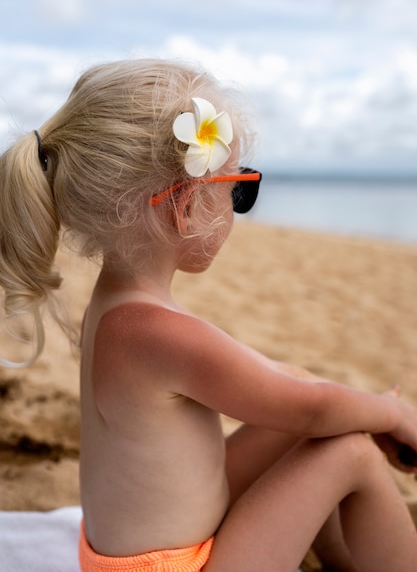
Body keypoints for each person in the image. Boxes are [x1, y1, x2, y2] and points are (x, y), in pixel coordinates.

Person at [0, 58, 417, 572]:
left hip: (155, 545)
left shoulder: (116, 308)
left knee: (319, 411)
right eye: (239, 190)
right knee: (349, 452)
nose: (237, 208)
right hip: (180, 565)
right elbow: (307, 409)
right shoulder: (155, 332)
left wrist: (358, 405)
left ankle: (341, 560)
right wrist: (392, 413)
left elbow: (292, 388)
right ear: (188, 205)